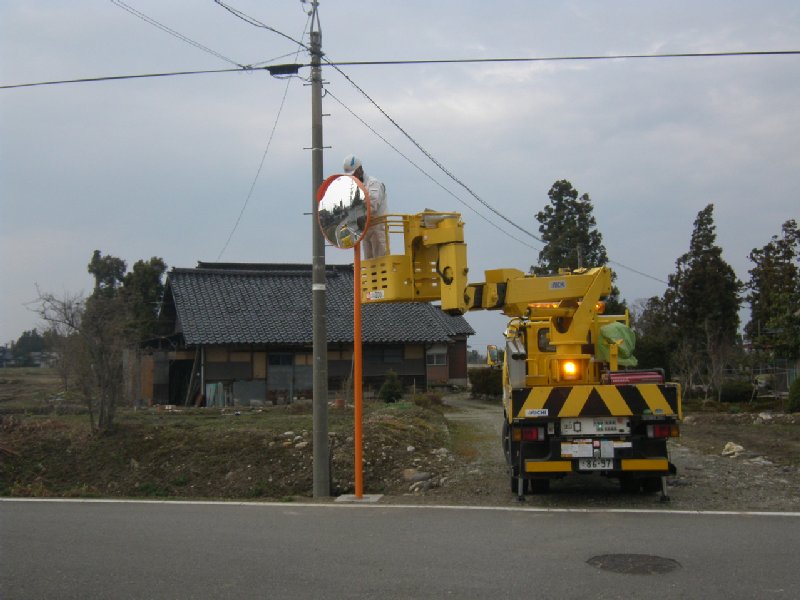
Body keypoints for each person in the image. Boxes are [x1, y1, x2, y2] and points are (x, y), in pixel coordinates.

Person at [342, 154, 388, 259]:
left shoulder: (373, 184)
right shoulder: (354, 188)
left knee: (380, 260)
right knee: (369, 263)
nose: (352, 177)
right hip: (365, 228)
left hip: (377, 227)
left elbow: (371, 205)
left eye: (353, 173)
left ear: (360, 169)